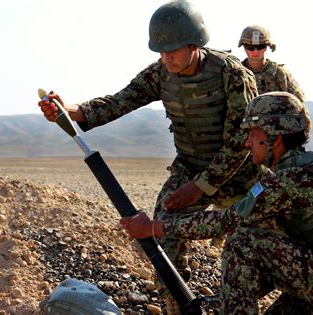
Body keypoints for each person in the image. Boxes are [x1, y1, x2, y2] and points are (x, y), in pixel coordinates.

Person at [38, 1, 259, 312]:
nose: (166, 56)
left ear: (194, 44)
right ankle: (178, 307)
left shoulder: (232, 74)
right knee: (163, 241)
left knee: (247, 251)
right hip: (189, 169)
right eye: (161, 50)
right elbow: (120, 101)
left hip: (241, 176)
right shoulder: (161, 73)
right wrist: (69, 111)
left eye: (174, 49)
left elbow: (242, 141)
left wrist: (200, 186)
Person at [121, 92, 313, 314]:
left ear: (274, 137)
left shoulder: (291, 180)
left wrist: (154, 228)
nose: (247, 143)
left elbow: (224, 221)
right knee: (261, 234)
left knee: (242, 241)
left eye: (253, 134)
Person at [238, 25, 305, 102]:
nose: (255, 51)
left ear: (267, 47)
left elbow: (299, 101)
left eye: (260, 46)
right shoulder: (236, 73)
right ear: (243, 47)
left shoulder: (279, 73)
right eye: (250, 47)